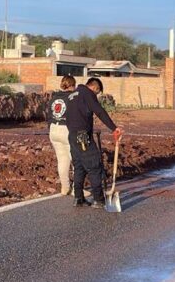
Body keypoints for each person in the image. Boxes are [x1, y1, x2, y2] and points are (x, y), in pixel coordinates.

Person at [66, 77, 123, 208]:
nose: (96, 96)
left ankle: (78, 198)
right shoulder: (87, 93)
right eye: (97, 93)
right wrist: (114, 128)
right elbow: (99, 111)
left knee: (79, 167)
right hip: (82, 136)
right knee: (94, 166)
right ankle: (98, 199)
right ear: (95, 88)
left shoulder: (72, 95)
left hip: (72, 135)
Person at [46, 75, 76, 195]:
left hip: (54, 129)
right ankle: (76, 190)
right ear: (72, 85)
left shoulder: (54, 98)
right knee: (76, 161)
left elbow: (48, 115)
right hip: (66, 129)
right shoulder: (72, 98)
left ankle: (65, 188)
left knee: (62, 160)